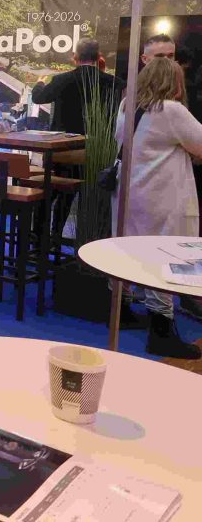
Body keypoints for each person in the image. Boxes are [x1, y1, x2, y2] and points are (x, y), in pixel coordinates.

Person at [113, 57, 202, 359]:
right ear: (174, 82)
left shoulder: (128, 106)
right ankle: (161, 333)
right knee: (166, 259)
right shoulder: (172, 110)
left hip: (133, 194)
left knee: (136, 256)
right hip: (162, 197)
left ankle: (126, 312)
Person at [31, 38, 124, 241]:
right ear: (99, 58)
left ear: (75, 58)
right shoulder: (115, 84)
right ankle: (67, 237)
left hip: (61, 151)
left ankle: (40, 236)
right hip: (96, 153)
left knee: (52, 191)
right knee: (79, 196)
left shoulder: (61, 80)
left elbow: (38, 98)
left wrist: (38, 83)